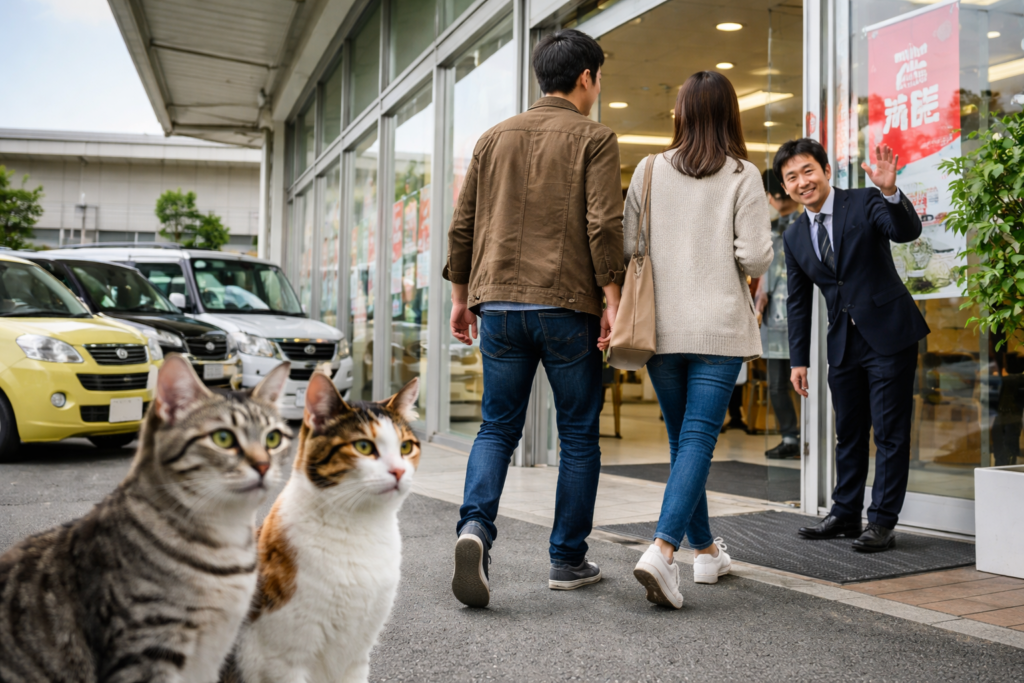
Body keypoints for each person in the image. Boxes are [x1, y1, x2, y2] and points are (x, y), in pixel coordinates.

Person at [444, 29, 624, 608]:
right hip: (567, 305)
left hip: (496, 306)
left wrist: (459, 296)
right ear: (587, 78)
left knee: (497, 427)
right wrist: (613, 296)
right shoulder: (595, 137)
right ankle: (568, 559)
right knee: (577, 435)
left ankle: (474, 530)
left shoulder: (492, 139)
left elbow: (462, 226)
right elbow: (602, 224)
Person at [627, 71, 773, 609]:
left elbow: (629, 246)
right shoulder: (744, 174)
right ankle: (664, 552)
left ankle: (707, 551)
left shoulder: (646, 171)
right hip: (718, 327)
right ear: (730, 114)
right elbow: (756, 257)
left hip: (661, 329)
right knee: (697, 442)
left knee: (683, 442)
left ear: (682, 114)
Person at [778, 138, 930, 553]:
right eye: (791, 177)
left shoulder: (864, 201)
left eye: (808, 170)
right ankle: (845, 514)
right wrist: (799, 360)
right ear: (786, 187)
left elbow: (906, 232)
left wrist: (889, 192)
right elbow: (797, 302)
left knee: (890, 434)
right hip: (843, 344)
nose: (802, 182)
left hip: (889, 335)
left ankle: (881, 521)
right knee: (848, 433)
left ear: (826, 170)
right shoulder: (794, 236)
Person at [754, 169, 802, 458]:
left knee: (797, 384)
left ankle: (804, 436)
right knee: (777, 385)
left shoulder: (805, 222)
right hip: (773, 319)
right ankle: (791, 437)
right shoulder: (771, 229)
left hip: (798, 317)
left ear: (771, 196)